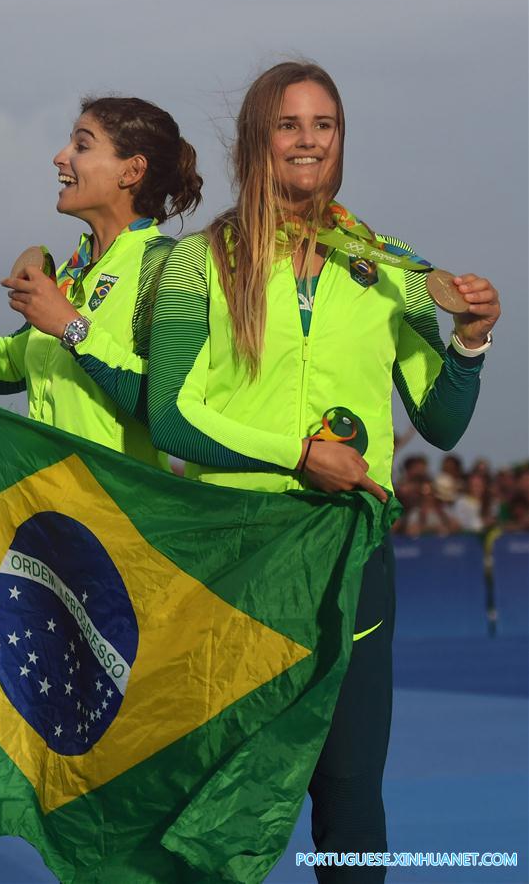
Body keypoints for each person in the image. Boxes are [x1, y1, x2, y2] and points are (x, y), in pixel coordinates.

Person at [146, 62, 500, 880]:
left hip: (349, 560)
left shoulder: (392, 268)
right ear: (255, 140)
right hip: (232, 558)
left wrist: (471, 341)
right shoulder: (193, 266)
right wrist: (298, 456)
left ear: (340, 141)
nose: (307, 140)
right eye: (288, 124)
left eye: (324, 124)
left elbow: (440, 424)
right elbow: (171, 415)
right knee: (211, 794)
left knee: (347, 792)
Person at [0, 97, 202, 467]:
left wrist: (70, 327)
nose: (60, 157)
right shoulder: (71, 270)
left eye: (82, 145)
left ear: (131, 171)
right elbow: (14, 361)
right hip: (48, 506)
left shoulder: (164, 264)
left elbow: (165, 405)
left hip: (116, 513)